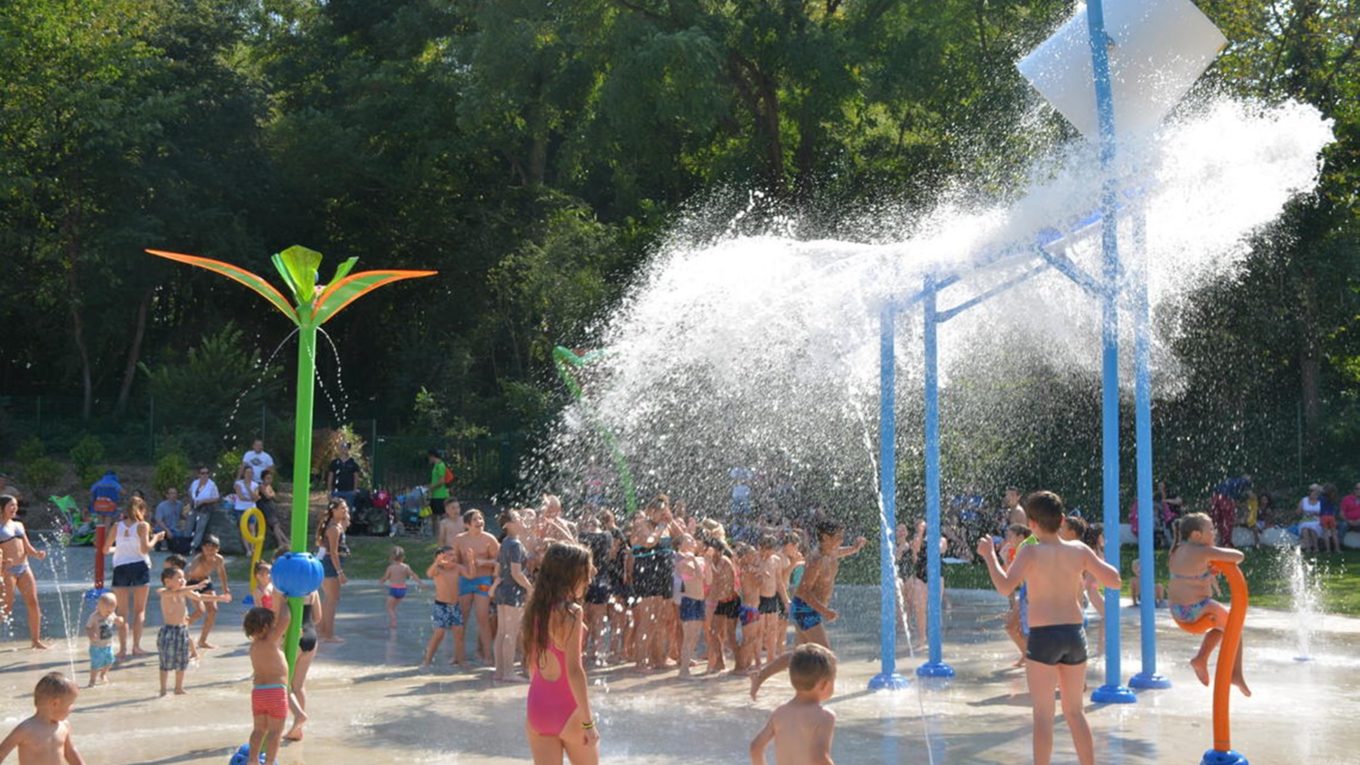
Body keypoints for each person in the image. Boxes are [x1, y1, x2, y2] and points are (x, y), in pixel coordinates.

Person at [976, 491, 1121, 765]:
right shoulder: (1079, 550)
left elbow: (1005, 586)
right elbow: (1114, 580)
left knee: (1043, 715)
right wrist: (1088, 574)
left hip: (1044, 637)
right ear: (1062, 519)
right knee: (1075, 712)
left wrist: (989, 556)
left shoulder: (1030, 551)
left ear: (1031, 524)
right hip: (1074, 635)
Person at [750, 517, 865, 698]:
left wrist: (855, 548)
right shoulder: (817, 559)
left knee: (797, 656)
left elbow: (841, 552)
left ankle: (761, 676)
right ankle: (824, 695)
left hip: (809, 609)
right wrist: (824, 611)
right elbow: (803, 591)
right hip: (806, 609)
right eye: (838, 537)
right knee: (827, 657)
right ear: (825, 538)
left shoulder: (831, 552)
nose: (841, 541)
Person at [523, 542, 599, 765]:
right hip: (567, 710)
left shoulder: (535, 607)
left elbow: (531, 664)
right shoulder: (572, 613)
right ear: (572, 575)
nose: (589, 580)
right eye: (586, 573)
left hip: (537, 706)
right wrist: (588, 723)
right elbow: (575, 671)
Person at [1168, 512, 1251, 696]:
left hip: (1177, 611)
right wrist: (1215, 558)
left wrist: (1209, 569)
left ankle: (1201, 659)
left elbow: (1191, 573)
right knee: (1235, 627)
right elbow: (1239, 556)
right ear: (1197, 535)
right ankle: (1235, 674)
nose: (1214, 532)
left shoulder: (1177, 550)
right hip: (1196, 609)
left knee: (1220, 627)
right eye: (1211, 529)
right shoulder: (1203, 551)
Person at [748, 644, 837, 765]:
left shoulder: (780, 712)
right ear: (823, 684)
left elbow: (755, 747)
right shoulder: (824, 716)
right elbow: (820, 758)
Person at [157, 566, 230, 696]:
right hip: (169, 631)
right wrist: (196, 585)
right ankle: (163, 689)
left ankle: (178, 688)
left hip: (181, 630)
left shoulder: (184, 591)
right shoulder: (164, 591)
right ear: (167, 582)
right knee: (165, 661)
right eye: (179, 578)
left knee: (182, 660)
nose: (182, 579)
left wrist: (219, 598)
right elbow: (176, 593)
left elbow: (200, 597)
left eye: (183, 577)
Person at [106, 497, 164, 659]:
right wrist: (156, 539)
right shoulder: (143, 526)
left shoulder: (117, 526)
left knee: (122, 611)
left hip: (121, 567)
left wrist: (119, 550)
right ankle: (136, 647)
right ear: (142, 510)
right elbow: (145, 549)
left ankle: (123, 649)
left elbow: (104, 549)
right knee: (139, 610)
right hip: (139, 565)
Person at [243, 601, 292, 765]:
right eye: (272, 625)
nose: (274, 628)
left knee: (258, 730)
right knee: (275, 732)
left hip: (258, 693)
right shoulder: (270, 640)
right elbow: (286, 619)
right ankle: (270, 762)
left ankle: (253, 760)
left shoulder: (253, 647)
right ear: (265, 628)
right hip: (276, 693)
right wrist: (284, 602)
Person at [0, 672, 85, 765]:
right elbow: (2, 752)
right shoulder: (26, 729)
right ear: (55, 703)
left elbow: (70, 751)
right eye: (70, 704)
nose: (73, 708)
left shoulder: (64, 725)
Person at [0, 495, 49, 650]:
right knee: (6, 607)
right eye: (11, 505)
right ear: (1, 508)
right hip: (7, 571)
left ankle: (36, 640)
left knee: (33, 603)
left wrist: (37, 554)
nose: (15, 508)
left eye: (15, 505)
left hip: (24, 567)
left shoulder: (19, 525)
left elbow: (27, 547)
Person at [453, 508, 500, 664]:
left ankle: (488, 656)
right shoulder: (459, 540)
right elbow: (455, 562)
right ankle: (458, 656)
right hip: (465, 581)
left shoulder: (489, 539)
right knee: (462, 619)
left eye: (481, 519)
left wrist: (483, 562)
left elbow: (499, 562)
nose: (479, 522)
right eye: (475, 520)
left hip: (483, 580)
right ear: (467, 524)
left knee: (483, 618)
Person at [493, 509, 533, 681]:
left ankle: (500, 672)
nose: (521, 520)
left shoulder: (505, 543)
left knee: (502, 632)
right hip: (513, 591)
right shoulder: (515, 544)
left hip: (503, 589)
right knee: (511, 632)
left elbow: (497, 570)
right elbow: (517, 573)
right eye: (517, 518)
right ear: (507, 525)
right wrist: (530, 588)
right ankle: (509, 672)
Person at [283, 570, 322, 742]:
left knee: (284, 684)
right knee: (298, 685)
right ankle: (297, 729)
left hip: (293, 636)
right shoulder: (313, 590)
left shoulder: (284, 589)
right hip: (311, 635)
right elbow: (318, 617)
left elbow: (281, 616)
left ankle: (298, 717)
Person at [421, 545, 469, 669]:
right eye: (450, 555)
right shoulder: (438, 569)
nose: (454, 557)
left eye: (454, 555)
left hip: (455, 606)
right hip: (441, 606)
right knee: (439, 633)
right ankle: (427, 660)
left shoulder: (457, 568)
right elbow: (429, 573)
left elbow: (471, 575)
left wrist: (472, 561)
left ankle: (460, 660)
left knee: (459, 633)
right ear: (441, 557)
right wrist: (437, 562)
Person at [184, 535, 231, 649]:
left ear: (217, 549)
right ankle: (179, 628)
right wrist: (181, 589)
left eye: (212, 549)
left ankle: (202, 640)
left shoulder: (219, 559)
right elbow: (188, 573)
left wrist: (225, 589)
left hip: (205, 582)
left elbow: (222, 573)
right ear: (202, 549)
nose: (209, 551)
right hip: (192, 584)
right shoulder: (198, 559)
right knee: (200, 611)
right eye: (206, 548)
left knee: (213, 610)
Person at [674, 534, 709, 679]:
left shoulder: (700, 559)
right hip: (690, 600)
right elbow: (699, 576)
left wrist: (703, 561)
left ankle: (686, 667)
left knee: (694, 637)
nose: (693, 541)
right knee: (688, 637)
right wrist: (694, 560)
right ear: (681, 544)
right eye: (689, 539)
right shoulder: (681, 561)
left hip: (700, 600)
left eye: (693, 539)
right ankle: (683, 671)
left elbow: (707, 579)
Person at [316, 498, 351, 642]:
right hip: (330, 565)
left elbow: (346, 524)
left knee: (328, 599)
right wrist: (340, 572)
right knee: (332, 600)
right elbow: (334, 552)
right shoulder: (334, 529)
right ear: (333, 510)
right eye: (342, 508)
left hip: (327, 563)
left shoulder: (336, 525)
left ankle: (322, 630)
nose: (345, 510)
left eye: (346, 507)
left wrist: (346, 516)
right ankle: (329, 634)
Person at [378, 546, 421, 630]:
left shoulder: (390, 568)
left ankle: (393, 622)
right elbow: (413, 575)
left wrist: (381, 581)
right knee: (393, 607)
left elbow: (385, 577)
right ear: (403, 557)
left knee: (389, 607)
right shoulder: (405, 567)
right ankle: (393, 620)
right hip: (402, 590)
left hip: (393, 590)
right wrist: (420, 582)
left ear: (392, 557)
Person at [84, 593, 122, 687]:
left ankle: (103, 674)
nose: (109, 613)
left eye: (111, 611)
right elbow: (88, 627)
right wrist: (91, 634)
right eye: (107, 611)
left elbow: (118, 621)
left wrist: (119, 620)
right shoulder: (94, 617)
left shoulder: (111, 614)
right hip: (96, 646)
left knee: (110, 661)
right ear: (99, 606)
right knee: (96, 664)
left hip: (108, 645)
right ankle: (92, 680)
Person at [187, 466, 220, 552]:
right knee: (189, 526)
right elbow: (190, 492)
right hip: (194, 507)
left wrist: (204, 501)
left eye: (207, 473)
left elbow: (216, 498)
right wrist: (191, 501)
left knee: (199, 529)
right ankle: (186, 544)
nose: (205, 475)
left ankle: (193, 547)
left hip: (205, 508)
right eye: (203, 473)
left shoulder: (212, 485)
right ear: (199, 474)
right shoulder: (195, 483)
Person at [257, 467, 287, 549]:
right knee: (275, 525)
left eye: (270, 478)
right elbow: (268, 495)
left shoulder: (269, 486)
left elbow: (274, 496)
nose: (269, 480)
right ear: (263, 479)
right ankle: (281, 542)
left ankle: (285, 541)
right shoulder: (261, 486)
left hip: (270, 506)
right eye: (267, 478)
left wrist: (271, 494)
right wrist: (271, 494)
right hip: (264, 507)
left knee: (276, 525)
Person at [326, 441, 362, 508]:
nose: (344, 449)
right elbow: (330, 477)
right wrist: (329, 491)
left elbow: (356, 477)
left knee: (348, 511)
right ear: (339, 449)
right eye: (342, 447)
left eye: (346, 447)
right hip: (336, 492)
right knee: (335, 510)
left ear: (348, 449)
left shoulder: (353, 463)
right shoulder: (334, 463)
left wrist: (355, 490)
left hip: (349, 492)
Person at [151, 488, 185, 552]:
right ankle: (158, 544)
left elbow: (180, 514)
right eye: (171, 493)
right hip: (161, 529)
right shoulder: (161, 506)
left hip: (174, 529)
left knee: (182, 537)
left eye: (175, 493)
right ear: (167, 495)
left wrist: (188, 519)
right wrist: (167, 530)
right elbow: (159, 520)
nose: (174, 495)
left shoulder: (180, 504)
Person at [427, 449, 452, 521]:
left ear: (432, 456)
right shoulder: (436, 466)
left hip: (441, 495)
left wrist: (430, 487)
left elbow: (441, 481)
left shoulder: (440, 466)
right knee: (433, 515)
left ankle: (444, 531)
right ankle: (436, 532)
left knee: (443, 516)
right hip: (435, 495)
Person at [1298, 483, 1324, 552]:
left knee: (1313, 528)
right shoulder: (1304, 500)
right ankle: (1308, 548)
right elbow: (1297, 512)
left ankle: (1316, 548)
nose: (1313, 492)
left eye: (1315, 491)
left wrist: (1315, 513)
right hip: (1305, 520)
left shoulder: (1321, 501)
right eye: (1312, 490)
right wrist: (1304, 512)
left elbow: (1324, 513)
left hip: (1317, 521)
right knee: (1305, 529)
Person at [1319, 483, 1342, 553]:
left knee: (1325, 533)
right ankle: (1338, 549)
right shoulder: (1333, 498)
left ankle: (1328, 550)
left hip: (1324, 516)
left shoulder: (1321, 498)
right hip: (1331, 517)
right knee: (1334, 533)